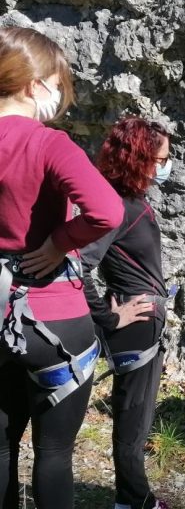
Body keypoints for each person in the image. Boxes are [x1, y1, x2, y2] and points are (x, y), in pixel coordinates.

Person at [0, 26, 125, 508]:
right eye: (56, 82)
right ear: (34, 85)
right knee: (54, 451)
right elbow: (107, 211)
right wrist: (59, 242)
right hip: (53, 320)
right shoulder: (49, 143)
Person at [80, 117, 174, 509]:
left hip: (141, 323)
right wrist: (108, 316)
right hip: (133, 326)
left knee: (135, 420)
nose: (167, 165)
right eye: (162, 158)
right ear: (140, 158)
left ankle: (132, 498)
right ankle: (136, 502)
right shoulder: (117, 206)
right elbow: (79, 265)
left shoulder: (130, 201)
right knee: (133, 424)